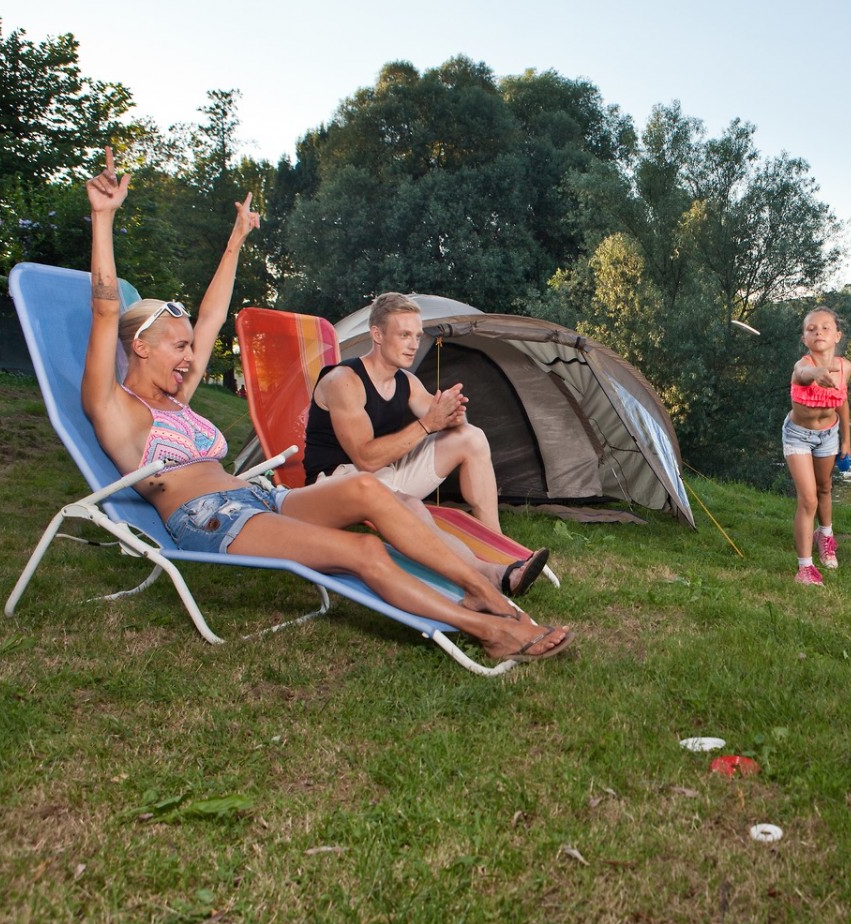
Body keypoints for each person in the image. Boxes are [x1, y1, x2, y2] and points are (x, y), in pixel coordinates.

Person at [79, 148, 571, 662]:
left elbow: (210, 318)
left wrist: (236, 241)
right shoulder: (115, 407)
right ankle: (488, 629)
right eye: (177, 348)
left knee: (364, 488)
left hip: (259, 497)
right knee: (363, 551)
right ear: (138, 347)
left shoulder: (177, 397)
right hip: (209, 519)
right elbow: (105, 308)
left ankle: (485, 589)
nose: (189, 356)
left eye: (188, 348)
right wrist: (103, 217)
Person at [302, 293, 550, 598]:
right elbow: (365, 458)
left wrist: (453, 413)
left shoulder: (406, 381)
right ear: (377, 335)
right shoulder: (345, 381)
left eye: (417, 336)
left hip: (387, 473)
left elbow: (445, 424)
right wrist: (427, 423)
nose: (413, 344)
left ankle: (495, 544)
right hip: (338, 482)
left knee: (471, 437)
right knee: (410, 505)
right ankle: (490, 575)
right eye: (404, 335)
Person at [783, 307, 851, 585]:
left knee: (825, 489)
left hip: (829, 434)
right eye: (811, 329)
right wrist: (817, 371)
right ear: (804, 338)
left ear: (837, 335)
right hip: (798, 435)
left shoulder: (846, 367)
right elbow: (803, 374)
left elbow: (843, 400)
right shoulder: (802, 365)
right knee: (808, 498)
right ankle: (804, 568)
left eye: (825, 328)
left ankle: (825, 535)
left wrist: (846, 438)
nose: (818, 332)